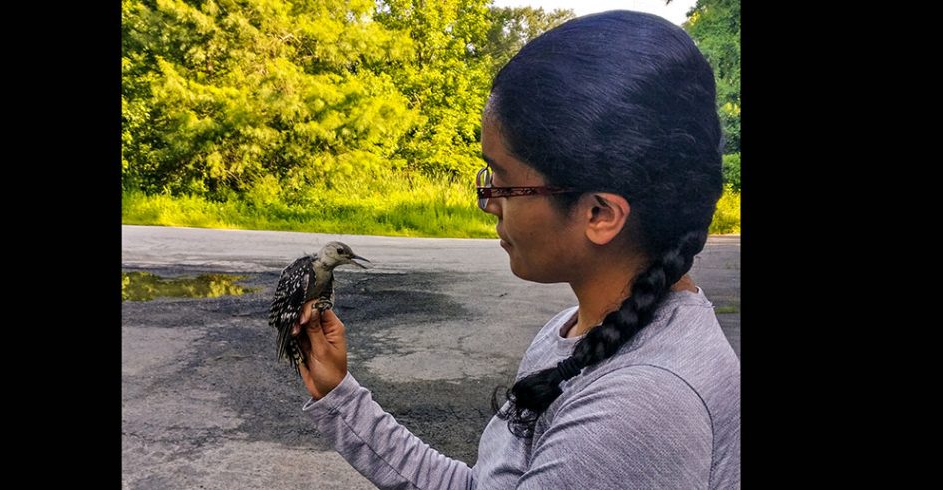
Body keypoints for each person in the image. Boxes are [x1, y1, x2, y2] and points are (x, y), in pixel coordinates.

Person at [291, 10, 740, 489]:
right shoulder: (582, 329)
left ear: (600, 214)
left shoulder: (635, 411)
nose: (488, 204)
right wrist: (341, 396)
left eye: (502, 182)